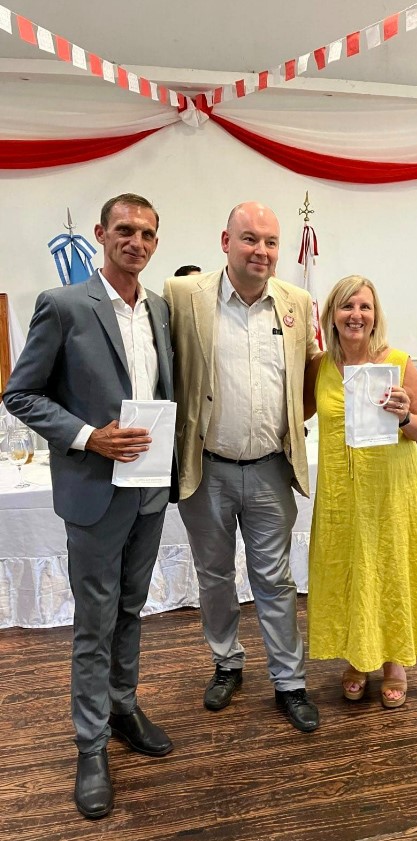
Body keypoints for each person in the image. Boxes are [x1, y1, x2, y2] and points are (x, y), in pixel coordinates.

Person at [3, 193, 177, 820]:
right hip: (94, 489)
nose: (136, 242)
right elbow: (20, 394)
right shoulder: (65, 305)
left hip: (149, 489)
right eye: (125, 230)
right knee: (93, 622)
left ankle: (123, 705)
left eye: (148, 233)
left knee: (132, 608)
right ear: (101, 235)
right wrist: (87, 436)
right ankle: (90, 744)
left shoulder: (160, 310)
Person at [164, 202, 321, 732]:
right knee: (214, 575)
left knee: (275, 578)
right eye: (250, 238)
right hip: (206, 469)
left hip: (272, 468)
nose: (262, 251)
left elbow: (310, 377)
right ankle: (227, 662)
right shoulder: (183, 295)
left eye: (271, 242)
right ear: (225, 241)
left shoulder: (297, 302)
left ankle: (289, 682)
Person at [304, 275, 417, 709]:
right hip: (341, 495)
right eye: (347, 306)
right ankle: (357, 657)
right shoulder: (320, 367)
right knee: (349, 571)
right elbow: (294, 412)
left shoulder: (398, 362)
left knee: (390, 569)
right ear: (332, 315)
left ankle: (395, 662)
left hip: (389, 492)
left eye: (364, 307)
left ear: (375, 315)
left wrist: (404, 417)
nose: (356, 315)